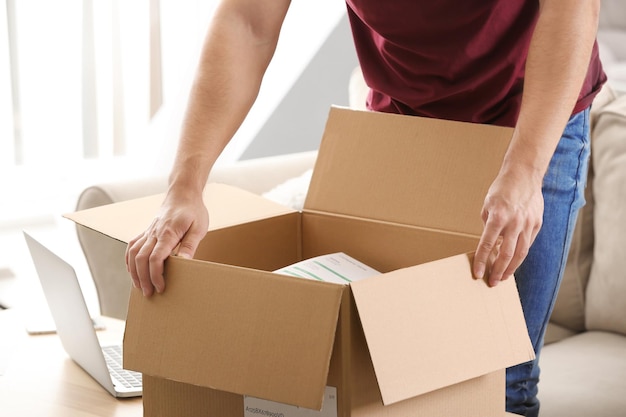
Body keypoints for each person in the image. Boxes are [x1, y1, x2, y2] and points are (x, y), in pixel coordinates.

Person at [125, 1, 606, 416]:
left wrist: (524, 172)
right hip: (404, 116)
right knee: (383, 375)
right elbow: (247, 22)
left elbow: (571, 8)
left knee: (501, 380)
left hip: (530, 119)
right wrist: (185, 184)